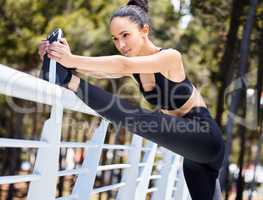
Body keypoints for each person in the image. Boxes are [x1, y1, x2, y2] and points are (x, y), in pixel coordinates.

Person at [38, 0, 225, 199]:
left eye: (125, 35)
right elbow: (101, 72)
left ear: (145, 30)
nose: (121, 44)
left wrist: (71, 60)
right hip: (192, 155)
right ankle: (64, 74)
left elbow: (122, 65)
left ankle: (68, 81)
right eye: (115, 39)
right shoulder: (136, 68)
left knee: (135, 118)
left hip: (204, 136)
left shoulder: (171, 57)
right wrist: (58, 57)